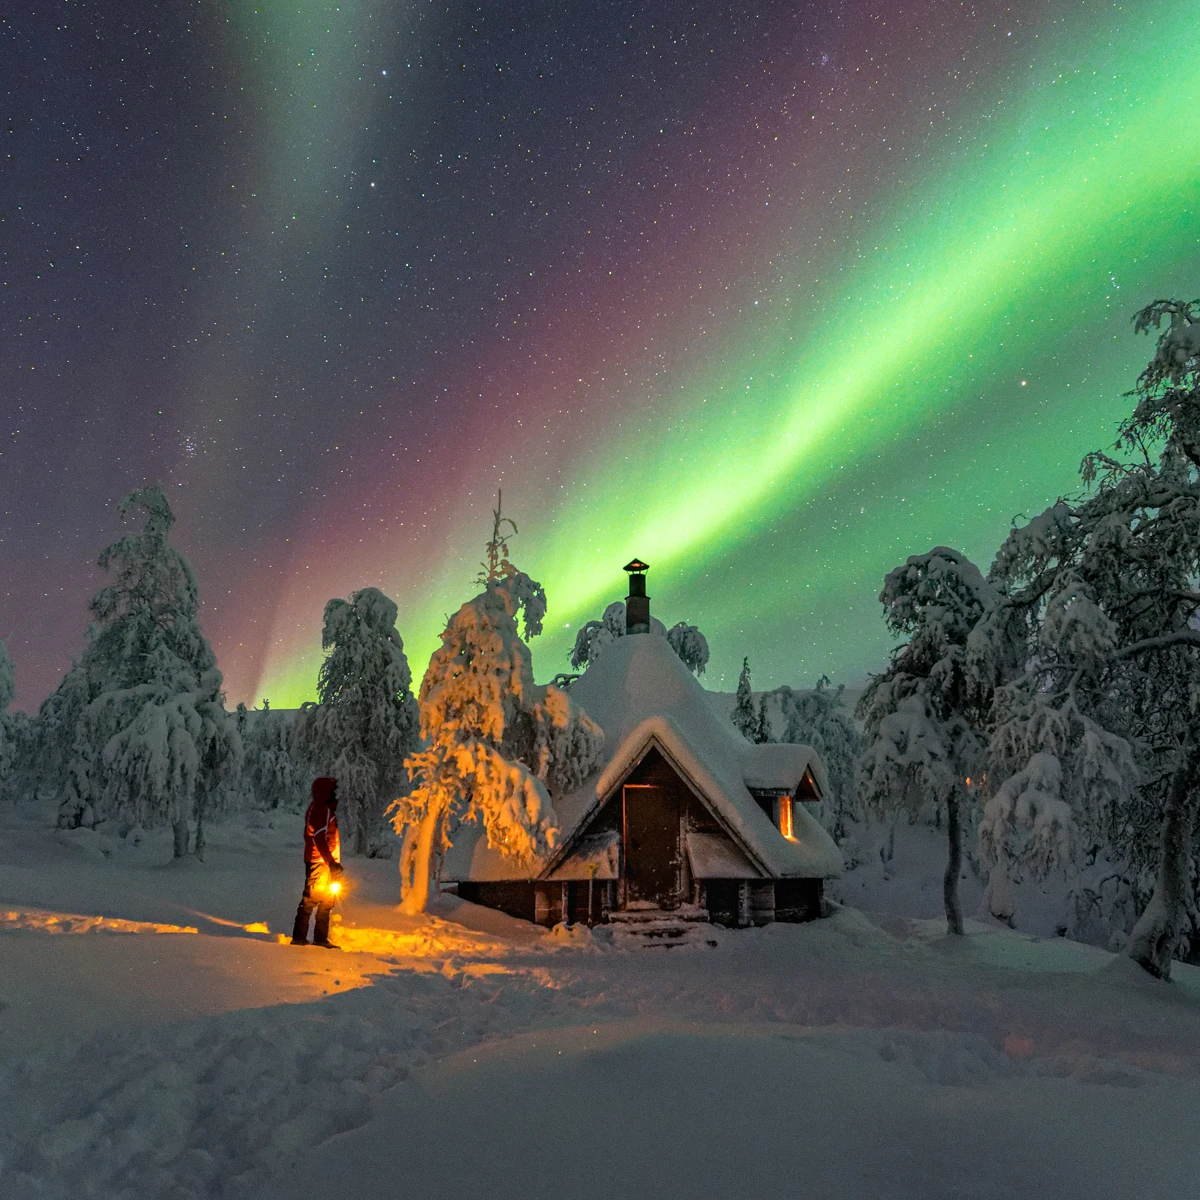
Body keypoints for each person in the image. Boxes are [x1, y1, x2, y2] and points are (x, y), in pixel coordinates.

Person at [291, 776, 345, 948]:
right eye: (333, 791)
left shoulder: (323, 808)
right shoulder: (321, 809)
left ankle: (320, 939)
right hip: (319, 863)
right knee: (311, 900)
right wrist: (331, 863)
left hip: (324, 863)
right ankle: (299, 939)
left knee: (327, 900)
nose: (336, 794)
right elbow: (319, 838)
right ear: (326, 792)